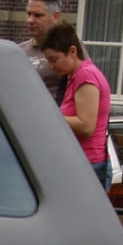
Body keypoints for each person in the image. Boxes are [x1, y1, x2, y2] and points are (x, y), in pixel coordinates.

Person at [41, 23, 112, 190]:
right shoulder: (75, 76)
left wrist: (51, 116)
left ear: (72, 51)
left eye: (54, 59)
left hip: (88, 164)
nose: (51, 66)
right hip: (84, 163)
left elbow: (86, 126)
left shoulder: (85, 75)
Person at [19, 0, 66, 104]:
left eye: (37, 15)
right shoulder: (18, 51)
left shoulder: (69, 49)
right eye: (28, 14)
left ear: (55, 16)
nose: (30, 20)